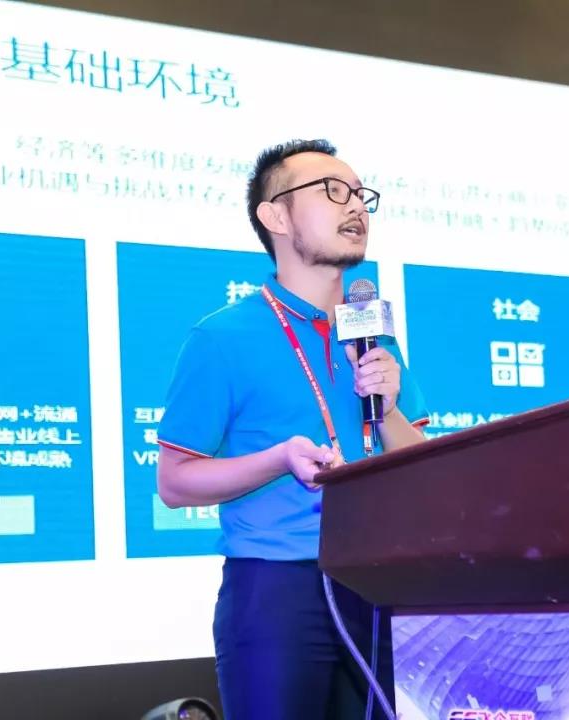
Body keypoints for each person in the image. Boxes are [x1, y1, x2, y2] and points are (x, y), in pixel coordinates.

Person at [156, 138, 429, 719]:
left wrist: (388, 411)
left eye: (359, 194)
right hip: (275, 591)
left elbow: (423, 469)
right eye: (332, 191)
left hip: (383, 584)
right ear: (275, 216)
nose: (353, 205)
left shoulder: (376, 337)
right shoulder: (221, 337)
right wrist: (279, 459)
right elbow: (175, 483)